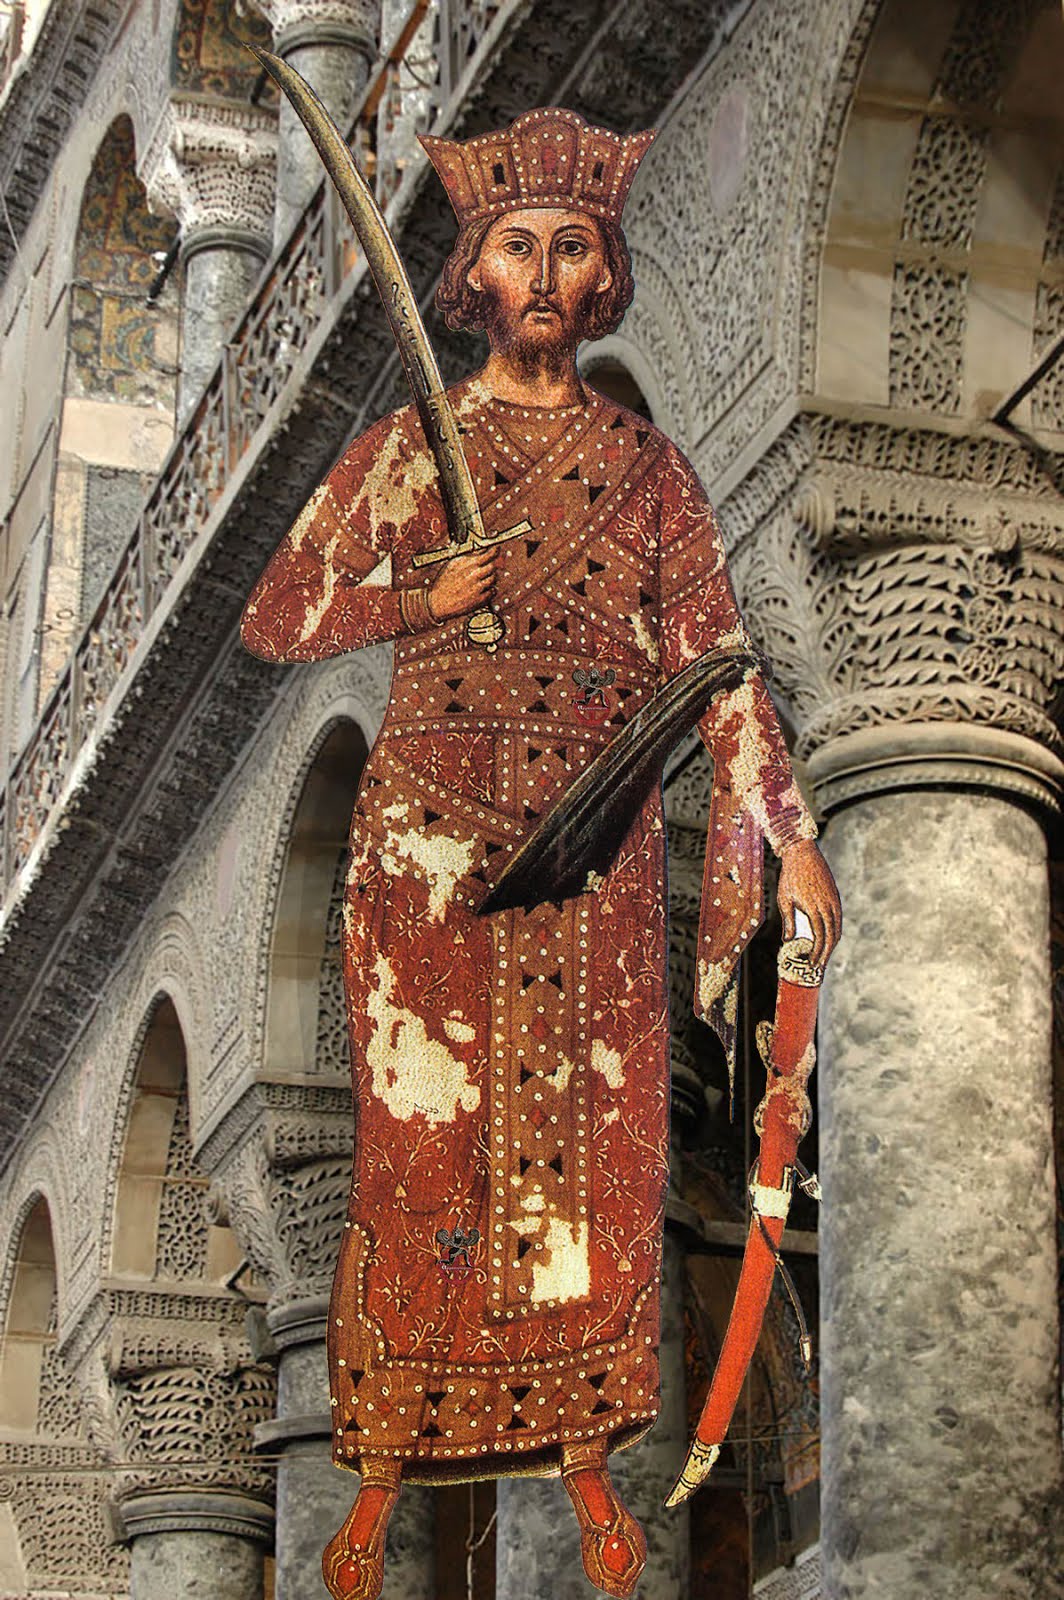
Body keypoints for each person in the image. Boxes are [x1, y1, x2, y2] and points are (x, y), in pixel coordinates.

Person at [241, 106, 841, 1600]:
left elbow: (716, 663)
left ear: (603, 274)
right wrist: (420, 602)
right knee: (426, 1163)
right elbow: (281, 612)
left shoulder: (646, 470)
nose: (547, 275)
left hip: (591, 846)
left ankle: (585, 1470)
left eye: (574, 248)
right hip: (434, 850)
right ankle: (381, 1481)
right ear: (477, 273)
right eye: (520, 246)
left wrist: (789, 836)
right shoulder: (409, 452)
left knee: (585, 1175)